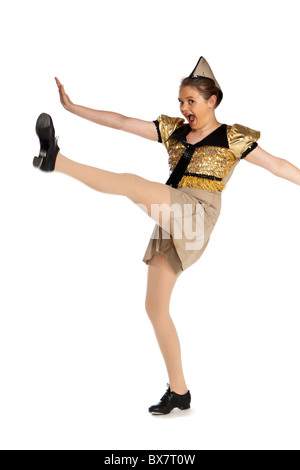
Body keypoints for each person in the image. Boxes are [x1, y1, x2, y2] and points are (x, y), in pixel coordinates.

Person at [32, 56, 300, 415]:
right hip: (170, 213)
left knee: (130, 183)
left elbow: (278, 166)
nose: (184, 107)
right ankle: (180, 392)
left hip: (196, 214)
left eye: (191, 101)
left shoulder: (233, 137)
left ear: (212, 101)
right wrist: (74, 107)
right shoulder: (175, 130)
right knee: (155, 307)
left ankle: (56, 160)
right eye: (180, 101)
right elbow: (124, 123)